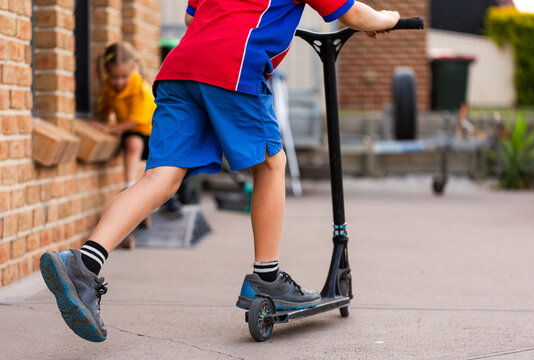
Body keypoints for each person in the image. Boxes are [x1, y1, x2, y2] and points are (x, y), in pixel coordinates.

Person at [39, 0, 399, 342]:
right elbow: (352, 14)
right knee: (272, 164)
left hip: (180, 69)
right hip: (233, 66)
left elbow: (190, 18)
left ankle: (83, 265)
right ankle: (268, 278)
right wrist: (387, 19)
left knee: (160, 177)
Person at [93, 42, 184, 229]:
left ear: (133, 69)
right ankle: (129, 184)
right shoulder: (109, 88)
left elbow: (135, 120)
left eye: (123, 76)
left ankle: (170, 200)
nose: (118, 81)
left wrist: (110, 129)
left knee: (159, 170)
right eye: (114, 77)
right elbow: (106, 107)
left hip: (154, 133)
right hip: (133, 133)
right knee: (132, 143)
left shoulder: (141, 89)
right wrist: (101, 121)